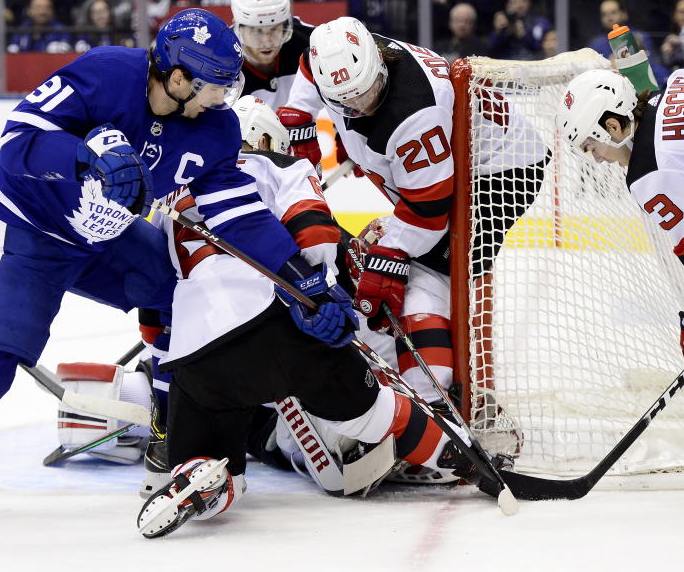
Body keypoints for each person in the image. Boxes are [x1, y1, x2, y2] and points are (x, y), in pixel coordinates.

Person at [0, 8, 352, 537]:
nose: (224, 98)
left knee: (183, 299)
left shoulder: (213, 128)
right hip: (22, 230)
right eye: (214, 85)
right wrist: (86, 151)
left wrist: (301, 283)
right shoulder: (106, 73)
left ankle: (171, 439)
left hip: (103, 238)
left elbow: (240, 215)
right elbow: (14, 146)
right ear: (176, 78)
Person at [136, 95, 493, 538]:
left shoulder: (169, 202)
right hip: (278, 326)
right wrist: (318, 293)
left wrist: (168, 382)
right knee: (376, 411)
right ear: (265, 138)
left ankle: (199, 476)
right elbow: (314, 231)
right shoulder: (274, 164)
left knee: (219, 463)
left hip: (198, 356)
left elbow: (153, 314)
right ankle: (465, 460)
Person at [278, 17, 461, 434]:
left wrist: (391, 254)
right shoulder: (342, 58)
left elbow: (429, 213)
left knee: (426, 277)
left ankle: (432, 402)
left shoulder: (415, 114)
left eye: (364, 94)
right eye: (343, 103)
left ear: (381, 62)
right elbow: (310, 65)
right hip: (427, 188)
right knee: (385, 274)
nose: (358, 108)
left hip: (488, 186)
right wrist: (300, 116)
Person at [556, 65, 684, 383]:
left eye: (592, 147)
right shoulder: (682, 81)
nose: (596, 159)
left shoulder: (653, 170)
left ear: (612, 125)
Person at [231, 0, 312, 110]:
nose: (267, 42)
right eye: (256, 31)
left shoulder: (309, 41)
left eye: (275, 29)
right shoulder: (220, 60)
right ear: (239, 28)